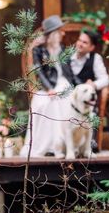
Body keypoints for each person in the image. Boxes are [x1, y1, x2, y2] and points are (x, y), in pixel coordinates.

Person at [20, 15, 75, 157]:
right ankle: (48, 145)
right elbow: (39, 71)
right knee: (43, 102)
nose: (63, 34)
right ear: (53, 33)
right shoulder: (38, 50)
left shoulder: (62, 48)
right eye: (60, 31)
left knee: (64, 99)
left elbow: (69, 71)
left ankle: (63, 144)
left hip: (63, 82)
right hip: (47, 85)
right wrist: (49, 88)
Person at [70, 29, 109, 151]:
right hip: (69, 99)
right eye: (79, 40)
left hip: (86, 101)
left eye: (85, 42)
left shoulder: (95, 58)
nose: (80, 44)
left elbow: (105, 79)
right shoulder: (67, 56)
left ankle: (90, 142)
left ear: (92, 47)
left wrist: (94, 85)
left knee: (91, 112)